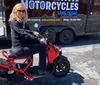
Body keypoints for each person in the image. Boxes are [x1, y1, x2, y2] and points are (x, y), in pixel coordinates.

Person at [9, 3, 47, 75]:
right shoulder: (14, 22)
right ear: (15, 11)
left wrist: (32, 32)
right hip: (19, 49)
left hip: (20, 46)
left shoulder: (20, 21)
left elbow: (23, 31)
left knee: (32, 45)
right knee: (42, 46)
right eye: (19, 10)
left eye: (23, 11)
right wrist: (39, 40)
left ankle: (28, 68)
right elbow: (23, 34)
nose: (21, 12)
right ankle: (42, 69)